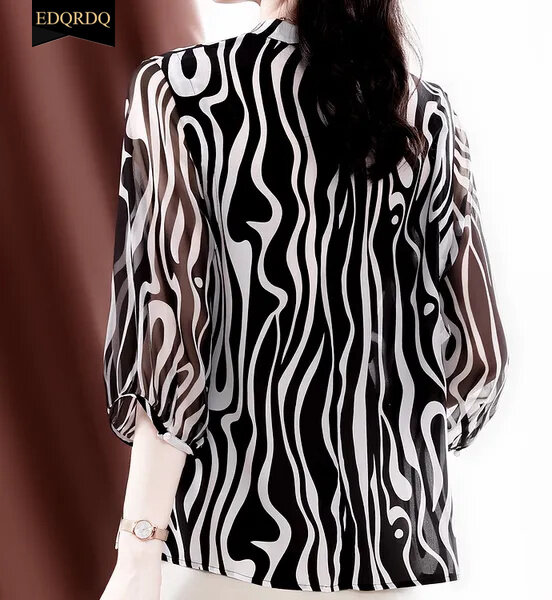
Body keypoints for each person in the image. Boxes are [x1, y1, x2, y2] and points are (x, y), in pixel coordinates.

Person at [100, 0, 510, 598]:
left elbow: (168, 339)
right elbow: (478, 362)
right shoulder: (424, 113)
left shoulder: (181, 93)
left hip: (231, 542)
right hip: (384, 545)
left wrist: (138, 552)